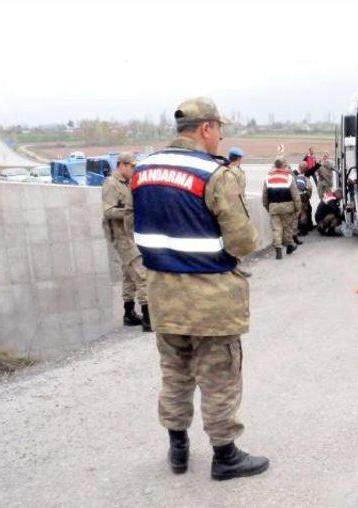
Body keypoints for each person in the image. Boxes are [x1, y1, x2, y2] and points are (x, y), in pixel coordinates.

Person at [132, 97, 269, 480]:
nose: (220, 139)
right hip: (210, 297)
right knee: (219, 376)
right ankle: (225, 456)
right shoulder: (215, 174)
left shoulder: (141, 170)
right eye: (219, 131)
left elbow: (134, 226)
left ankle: (177, 449)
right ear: (206, 128)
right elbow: (242, 241)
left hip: (162, 293)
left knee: (174, 373)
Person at [101, 152, 151, 332]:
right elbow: (108, 211)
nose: (133, 169)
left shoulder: (126, 183)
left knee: (129, 274)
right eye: (131, 166)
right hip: (122, 236)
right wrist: (130, 211)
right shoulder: (111, 184)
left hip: (130, 233)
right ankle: (148, 316)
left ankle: (129, 313)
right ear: (121, 165)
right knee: (141, 272)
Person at [262, 158, 301, 260]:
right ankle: (289, 246)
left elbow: (264, 196)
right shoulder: (289, 178)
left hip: (273, 207)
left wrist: (267, 207)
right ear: (284, 166)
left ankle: (278, 250)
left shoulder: (268, 178)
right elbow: (295, 195)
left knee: (276, 229)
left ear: (275, 166)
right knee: (287, 228)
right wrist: (298, 208)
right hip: (287, 207)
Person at [295, 161, 314, 235]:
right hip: (303, 197)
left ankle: (301, 227)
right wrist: (308, 197)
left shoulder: (295, 175)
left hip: (297, 197)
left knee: (300, 212)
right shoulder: (305, 177)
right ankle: (303, 229)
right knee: (303, 213)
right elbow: (309, 188)